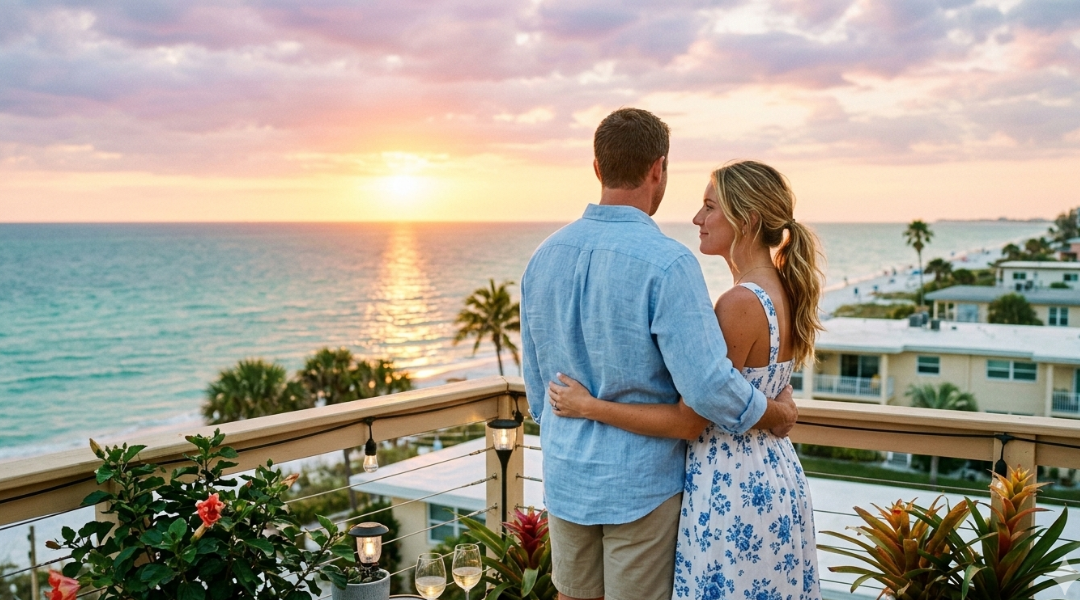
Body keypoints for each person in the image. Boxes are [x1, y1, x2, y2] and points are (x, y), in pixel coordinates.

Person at [519, 108, 798, 600]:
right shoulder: (668, 264)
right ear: (658, 169)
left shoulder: (543, 257)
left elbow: (540, 392)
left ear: (598, 168)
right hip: (641, 486)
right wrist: (775, 412)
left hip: (567, 477)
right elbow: (709, 389)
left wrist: (579, 420)